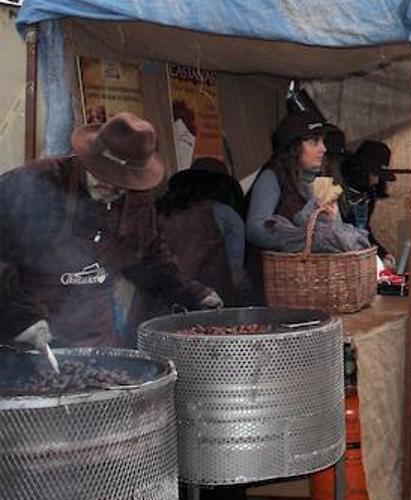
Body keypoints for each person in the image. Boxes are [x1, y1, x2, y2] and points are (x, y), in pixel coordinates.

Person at [0, 112, 220, 348]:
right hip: (25, 342)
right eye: (101, 172)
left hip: (95, 338)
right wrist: (17, 316)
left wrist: (188, 293)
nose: (109, 183)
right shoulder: (38, 182)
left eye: (120, 181)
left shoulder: (137, 202)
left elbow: (148, 259)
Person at [246, 112, 369, 258]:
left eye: (323, 141)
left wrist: (334, 224)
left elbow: (334, 234)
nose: (323, 148)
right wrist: (301, 240)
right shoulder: (272, 177)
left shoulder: (323, 182)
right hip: (279, 274)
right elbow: (255, 230)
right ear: (294, 146)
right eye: (314, 141)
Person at [157, 157, 249, 307]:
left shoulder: (160, 212)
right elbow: (236, 273)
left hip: (159, 302)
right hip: (209, 304)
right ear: (222, 187)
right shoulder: (226, 215)